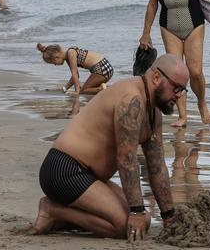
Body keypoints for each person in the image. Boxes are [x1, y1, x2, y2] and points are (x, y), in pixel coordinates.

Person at [31, 54, 187, 240]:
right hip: (63, 170)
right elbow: (126, 159)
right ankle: (53, 210)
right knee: (125, 226)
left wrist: (168, 216)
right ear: (156, 78)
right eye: (176, 88)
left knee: (144, 220)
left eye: (183, 90)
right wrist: (135, 211)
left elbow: (157, 166)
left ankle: (61, 219)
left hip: (90, 178)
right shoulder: (132, 100)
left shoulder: (153, 112)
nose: (178, 96)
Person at [140, 0, 210, 128]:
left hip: (194, 25)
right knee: (175, 73)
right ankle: (182, 116)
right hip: (169, 27)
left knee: (195, 71)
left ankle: (201, 103)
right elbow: (152, 4)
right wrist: (145, 33)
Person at [36, 43, 114, 95]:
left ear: (56, 56)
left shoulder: (71, 53)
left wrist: (77, 91)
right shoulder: (69, 56)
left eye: (54, 63)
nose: (55, 65)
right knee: (89, 88)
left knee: (84, 91)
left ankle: (102, 88)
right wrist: (64, 88)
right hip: (106, 67)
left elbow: (75, 73)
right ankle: (109, 88)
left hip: (100, 68)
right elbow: (74, 77)